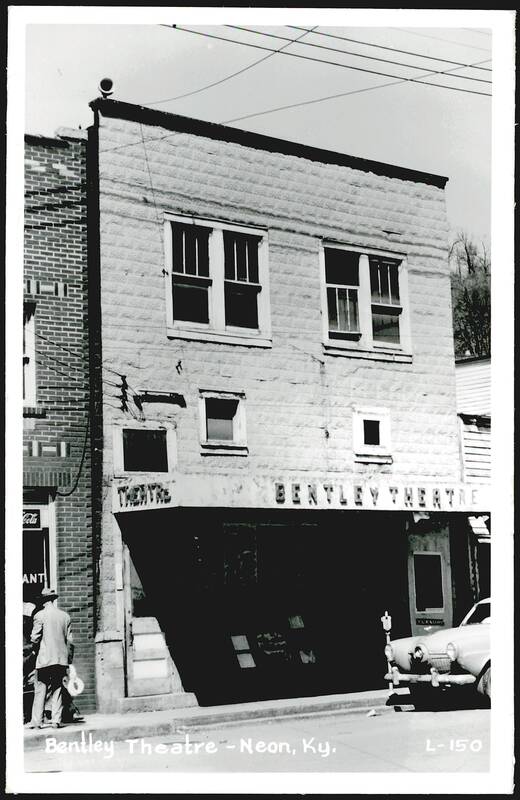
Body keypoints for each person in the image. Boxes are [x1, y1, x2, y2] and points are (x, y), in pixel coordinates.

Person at [25, 587, 74, 729]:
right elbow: (70, 641)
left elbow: (35, 638)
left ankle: (37, 721)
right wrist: (68, 659)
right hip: (60, 658)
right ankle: (56, 720)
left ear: (43, 601)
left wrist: (34, 651)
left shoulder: (39, 616)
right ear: (53, 600)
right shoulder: (65, 616)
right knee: (58, 688)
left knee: (40, 689)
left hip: (44, 659)